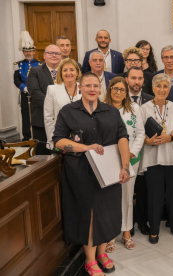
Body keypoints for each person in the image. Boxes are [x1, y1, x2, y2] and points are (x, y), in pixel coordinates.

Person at [53, 72, 131, 276]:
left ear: (100, 88)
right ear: (80, 87)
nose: (92, 89)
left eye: (95, 86)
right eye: (87, 85)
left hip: (109, 170)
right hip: (80, 172)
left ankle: (102, 253)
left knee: (106, 212)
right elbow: (58, 141)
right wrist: (86, 147)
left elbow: (123, 137)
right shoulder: (68, 111)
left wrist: (125, 166)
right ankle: (89, 259)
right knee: (89, 214)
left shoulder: (112, 112)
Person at [139, 73, 173, 244]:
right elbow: (138, 134)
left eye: (165, 86)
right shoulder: (143, 108)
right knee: (154, 196)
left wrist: (170, 138)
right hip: (152, 157)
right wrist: (148, 141)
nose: (162, 89)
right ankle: (154, 229)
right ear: (153, 88)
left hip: (172, 157)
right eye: (159, 86)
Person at [104, 77, 145, 252]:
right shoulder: (102, 108)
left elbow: (141, 134)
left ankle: (126, 232)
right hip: (108, 161)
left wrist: (130, 153)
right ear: (109, 89)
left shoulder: (134, 108)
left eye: (122, 89)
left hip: (129, 160)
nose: (118, 92)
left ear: (126, 92)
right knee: (110, 200)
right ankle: (110, 235)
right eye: (115, 88)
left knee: (128, 199)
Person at [125, 66, 153, 237]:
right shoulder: (119, 98)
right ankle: (127, 224)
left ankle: (142, 221)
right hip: (127, 152)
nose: (136, 81)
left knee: (143, 189)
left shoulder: (150, 100)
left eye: (140, 78)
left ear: (144, 80)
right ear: (127, 79)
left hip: (146, 151)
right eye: (133, 78)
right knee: (127, 191)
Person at [27, 44, 62, 155]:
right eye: (50, 53)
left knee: (60, 152)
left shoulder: (66, 72)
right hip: (41, 120)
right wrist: (55, 106)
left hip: (62, 119)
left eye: (57, 53)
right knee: (43, 153)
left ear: (61, 56)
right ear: (44, 55)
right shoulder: (35, 71)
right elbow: (35, 93)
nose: (54, 55)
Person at [44, 58, 82, 149]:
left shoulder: (84, 88)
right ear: (60, 73)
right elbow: (48, 117)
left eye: (72, 70)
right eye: (65, 70)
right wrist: (52, 139)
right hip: (60, 137)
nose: (68, 73)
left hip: (82, 137)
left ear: (77, 73)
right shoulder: (52, 90)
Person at [13, 31, 41, 141]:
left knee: (37, 115)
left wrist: (34, 90)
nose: (28, 53)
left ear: (34, 52)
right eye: (25, 51)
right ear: (23, 52)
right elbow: (16, 79)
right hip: (24, 94)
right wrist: (23, 88)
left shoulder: (40, 64)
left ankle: (37, 137)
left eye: (30, 51)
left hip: (36, 94)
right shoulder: (19, 64)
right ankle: (26, 138)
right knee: (25, 116)